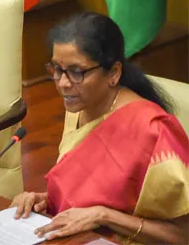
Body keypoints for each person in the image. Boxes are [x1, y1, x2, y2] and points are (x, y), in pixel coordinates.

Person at [12, 13, 188, 244]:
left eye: (77, 72)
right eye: (57, 69)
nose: (63, 83)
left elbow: (183, 235)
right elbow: (90, 192)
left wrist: (104, 216)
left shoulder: (153, 129)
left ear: (113, 73)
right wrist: (43, 200)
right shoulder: (81, 106)